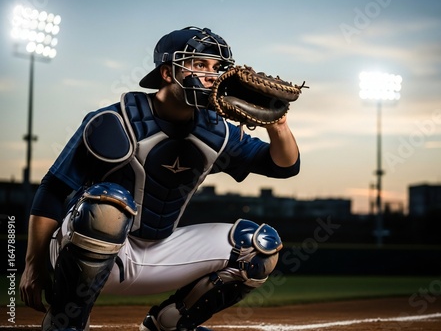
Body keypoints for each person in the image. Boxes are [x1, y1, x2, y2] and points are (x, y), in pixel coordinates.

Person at [19, 26, 300, 331]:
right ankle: (67, 321)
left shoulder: (217, 132)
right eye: (199, 64)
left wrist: (278, 124)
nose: (211, 75)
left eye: (217, 67)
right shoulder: (114, 122)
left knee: (258, 246)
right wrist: (33, 263)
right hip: (86, 250)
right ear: (167, 73)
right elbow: (53, 190)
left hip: (159, 249)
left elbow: (283, 166)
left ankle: (168, 323)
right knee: (109, 205)